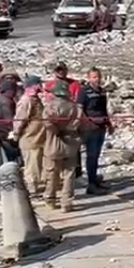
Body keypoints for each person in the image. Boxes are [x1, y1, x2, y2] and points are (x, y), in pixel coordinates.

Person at [42, 80, 83, 211]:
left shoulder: (49, 107)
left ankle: (50, 200)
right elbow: (80, 124)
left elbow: (47, 123)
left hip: (53, 143)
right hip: (70, 143)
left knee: (52, 174)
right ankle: (66, 202)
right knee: (69, 174)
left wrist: (56, 131)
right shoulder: (75, 108)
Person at [12, 74, 47, 198]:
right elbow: (20, 120)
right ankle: (32, 189)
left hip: (38, 138)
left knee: (37, 164)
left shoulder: (35, 99)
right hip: (30, 138)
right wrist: (16, 134)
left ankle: (36, 186)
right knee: (32, 166)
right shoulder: (25, 101)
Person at [79, 67, 113, 194]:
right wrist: (86, 123)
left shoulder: (102, 92)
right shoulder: (84, 92)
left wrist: (109, 124)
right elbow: (80, 110)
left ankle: (94, 180)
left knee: (97, 155)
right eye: (94, 77)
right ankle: (91, 184)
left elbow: (104, 109)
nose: (97, 79)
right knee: (91, 155)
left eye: (98, 76)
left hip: (101, 126)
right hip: (90, 128)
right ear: (89, 78)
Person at [0, 77, 20, 163]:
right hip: (5, 133)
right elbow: (9, 120)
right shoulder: (5, 102)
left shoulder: (3, 99)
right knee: (12, 156)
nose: (15, 92)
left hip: (3, 132)